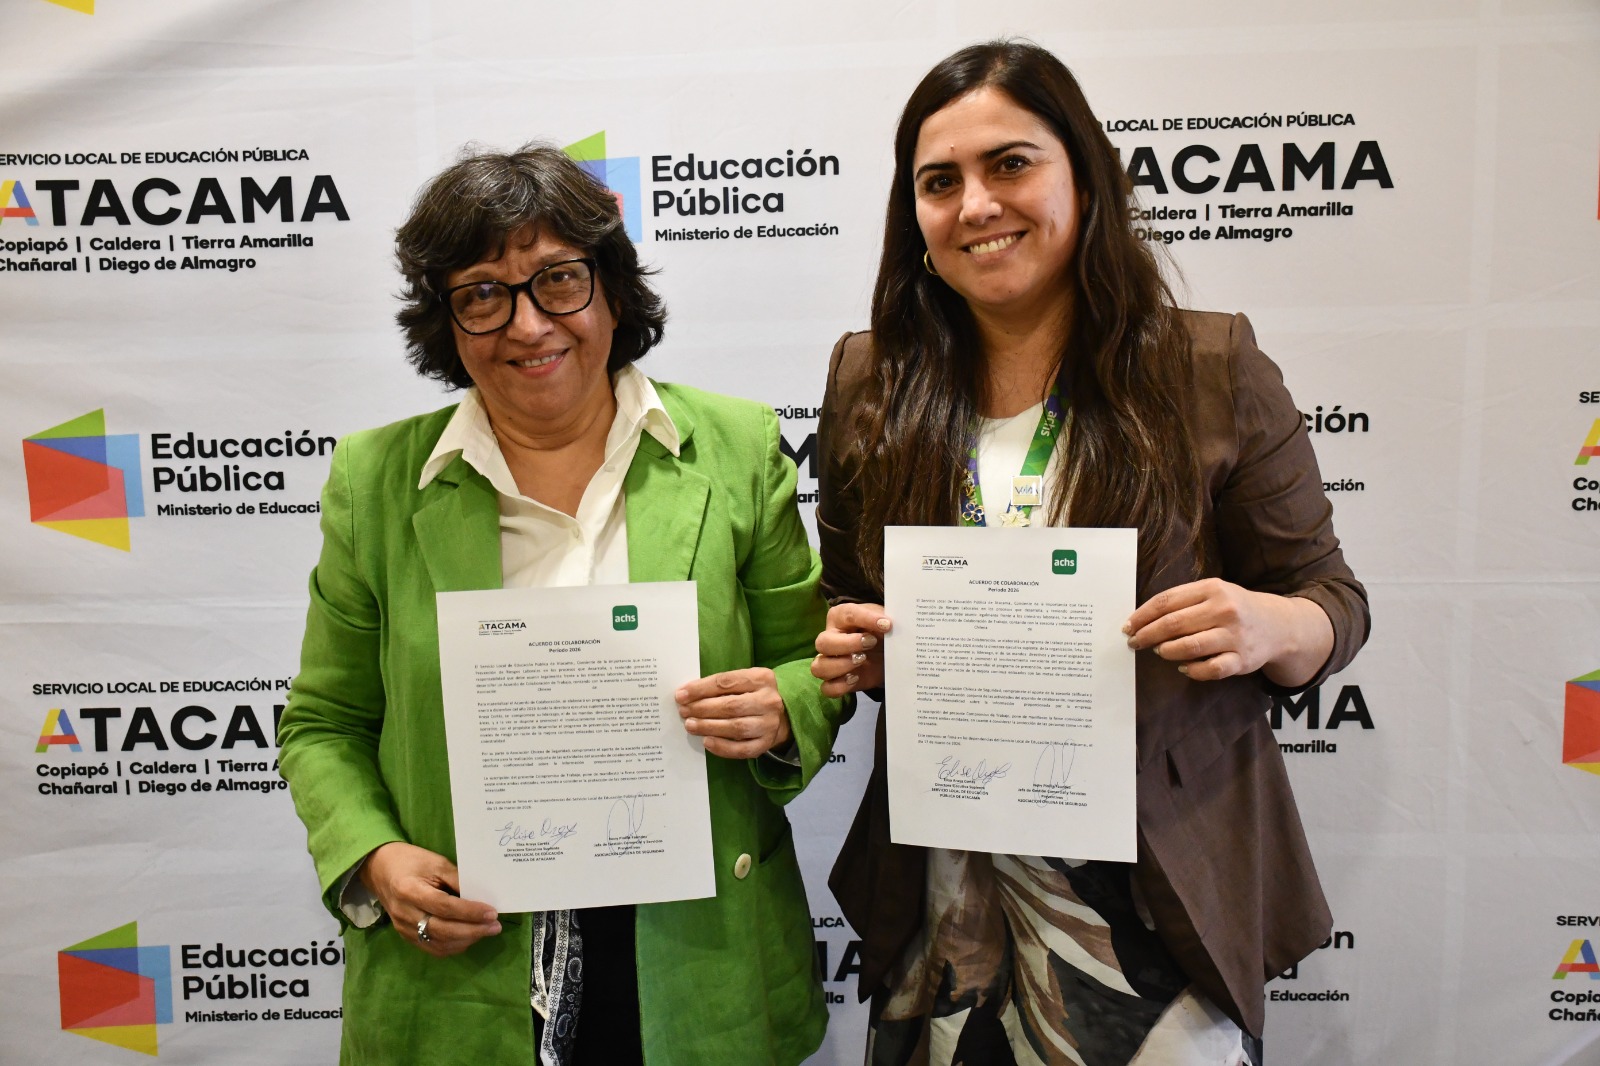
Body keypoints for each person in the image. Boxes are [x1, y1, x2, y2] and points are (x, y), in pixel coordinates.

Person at [810, 41, 1370, 1066]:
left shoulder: (1207, 366)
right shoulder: (869, 381)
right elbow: (846, 602)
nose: (977, 204)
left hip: (1155, 896)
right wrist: (859, 651)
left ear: (1085, 176)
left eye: (1010, 164)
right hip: (948, 892)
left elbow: (1331, 600)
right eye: (940, 182)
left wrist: (1268, 625)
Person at [277, 143, 845, 1066]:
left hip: (697, 946)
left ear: (611, 290)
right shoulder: (373, 481)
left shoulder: (738, 449)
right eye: (482, 294)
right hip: (470, 961)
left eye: (559, 280)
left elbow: (812, 666)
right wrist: (374, 857)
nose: (528, 323)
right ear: (448, 322)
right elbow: (324, 723)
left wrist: (784, 706)